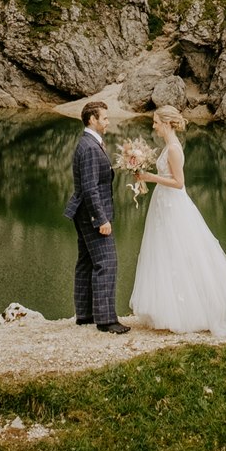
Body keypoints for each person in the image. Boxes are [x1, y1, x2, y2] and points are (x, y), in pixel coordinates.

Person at [129, 105, 226, 336]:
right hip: (163, 203)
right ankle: (167, 310)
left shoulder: (173, 148)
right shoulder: (167, 147)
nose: (153, 125)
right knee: (164, 253)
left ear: (168, 123)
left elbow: (180, 183)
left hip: (173, 205)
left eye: (156, 121)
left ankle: (190, 312)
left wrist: (150, 177)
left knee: (181, 252)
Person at [64, 99, 130, 333]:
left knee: (86, 262)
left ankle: (85, 314)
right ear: (92, 119)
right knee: (106, 262)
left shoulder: (89, 143)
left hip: (82, 211)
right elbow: (91, 188)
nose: (108, 121)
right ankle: (106, 320)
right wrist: (101, 219)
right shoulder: (90, 147)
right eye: (104, 118)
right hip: (92, 213)